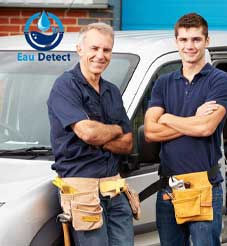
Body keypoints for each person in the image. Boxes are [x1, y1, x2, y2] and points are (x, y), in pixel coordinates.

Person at [144, 13, 227, 246]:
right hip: (168, 189)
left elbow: (205, 128)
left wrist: (167, 117)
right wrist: (192, 119)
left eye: (196, 39)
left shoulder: (220, 80)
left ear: (207, 41)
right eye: (183, 40)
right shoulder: (164, 82)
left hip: (204, 185)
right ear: (176, 42)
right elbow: (151, 132)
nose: (189, 46)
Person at [47, 23, 134, 246]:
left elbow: (127, 143)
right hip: (81, 191)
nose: (100, 55)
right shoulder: (65, 86)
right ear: (80, 49)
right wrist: (114, 130)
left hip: (114, 188)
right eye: (94, 48)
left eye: (106, 50)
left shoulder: (112, 91)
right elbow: (88, 134)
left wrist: (100, 133)